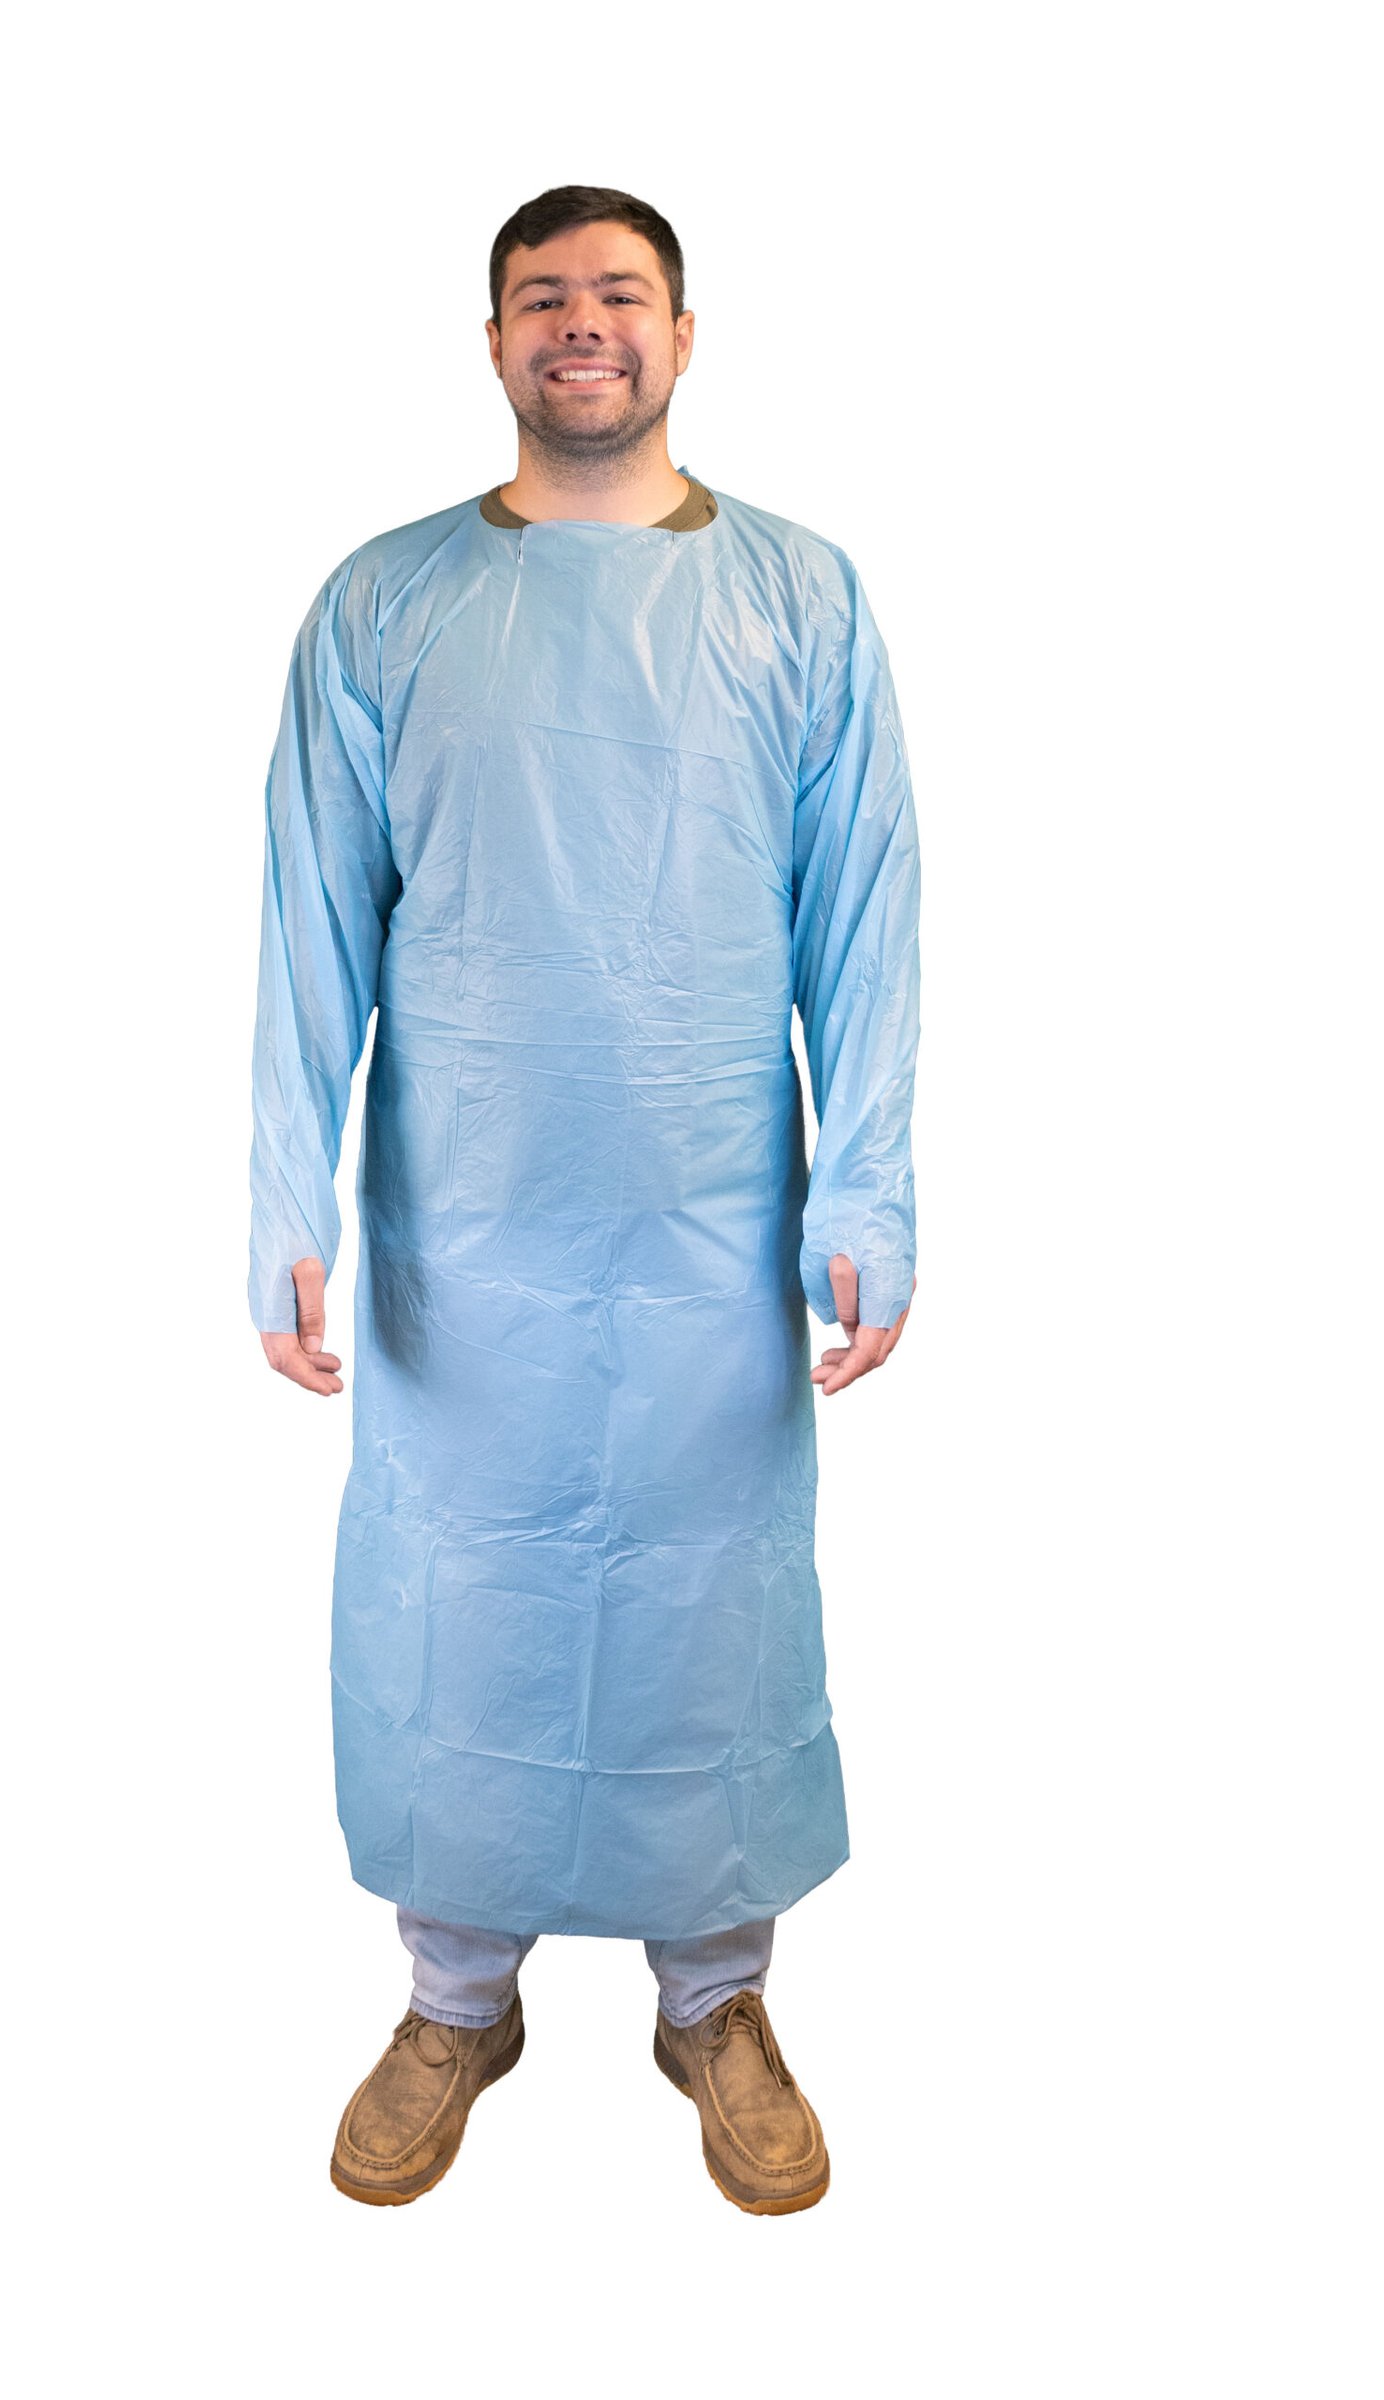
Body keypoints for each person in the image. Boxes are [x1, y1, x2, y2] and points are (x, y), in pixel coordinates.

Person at [248, 185, 920, 2215]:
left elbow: (863, 913)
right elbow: (310, 922)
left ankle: (716, 2001)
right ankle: (456, 1998)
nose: (581, 325)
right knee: (465, 1601)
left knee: (709, 1604)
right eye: (541, 296)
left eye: (619, 293)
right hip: (464, 1230)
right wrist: (288, 1196)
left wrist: (867, 1185)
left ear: (682, 334)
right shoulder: (386, 603)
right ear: (493, 342)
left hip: (713, 1223)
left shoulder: (798, 600)